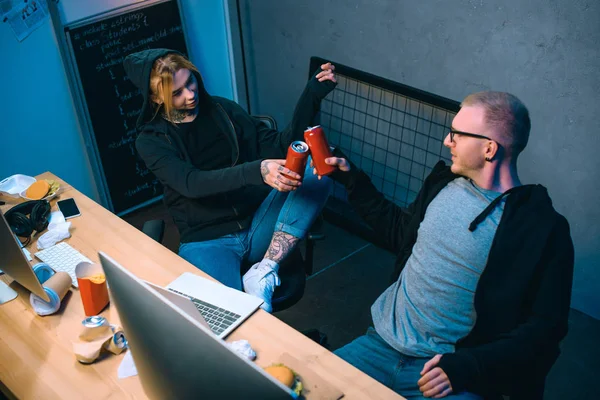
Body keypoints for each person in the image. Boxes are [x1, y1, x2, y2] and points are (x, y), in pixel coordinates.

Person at [318, 92, 574, 399]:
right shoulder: (442, 185)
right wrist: (352, 180)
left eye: (457, 134)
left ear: (489, 148)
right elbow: (401, 233)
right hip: (379, 346)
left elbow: (545, 329)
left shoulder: (542, 229)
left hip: (447, 373)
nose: (446, 140)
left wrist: (468, 366)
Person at [123, 49, 336, 312]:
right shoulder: (151, 140)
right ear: (156, 98)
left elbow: (280, 145)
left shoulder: (224, 110)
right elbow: (192, 183)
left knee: (317, 169)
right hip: (208, 240)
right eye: (176, 93)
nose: (190, 94)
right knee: (229, 318)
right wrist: (256, 171)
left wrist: (311, 95)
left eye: (190, 82)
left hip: (258, 223)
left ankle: (264, 270)